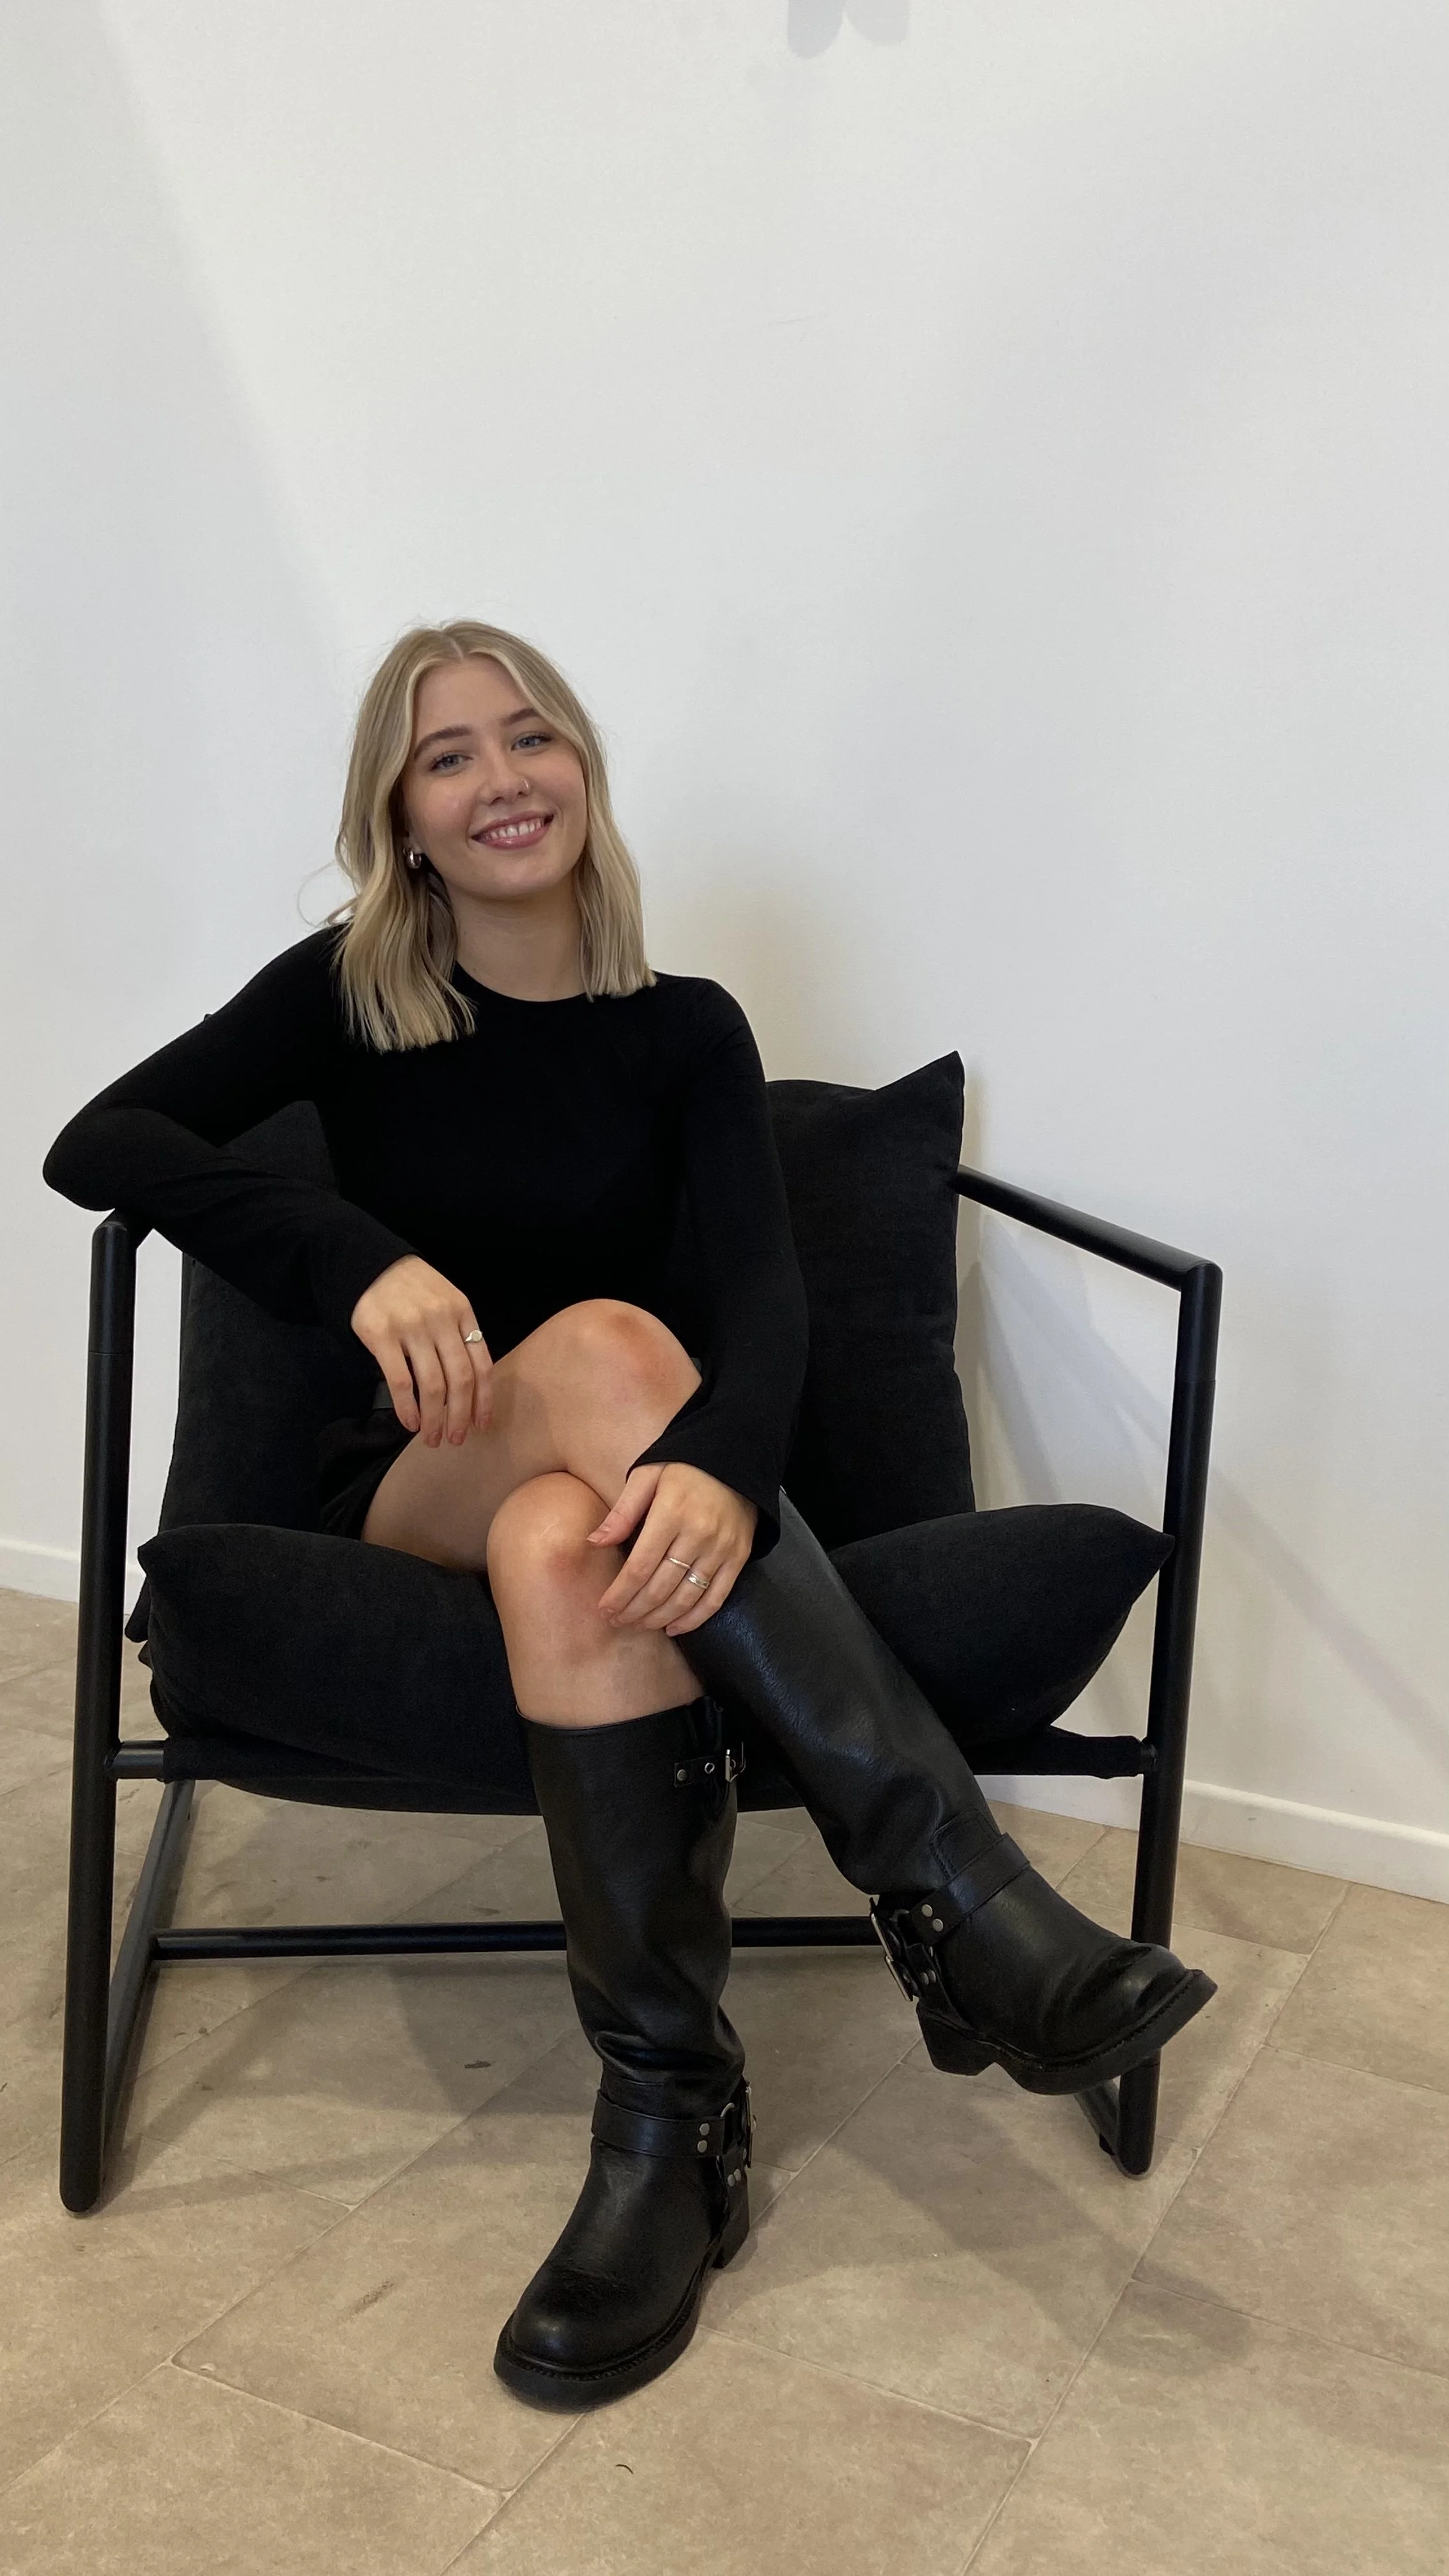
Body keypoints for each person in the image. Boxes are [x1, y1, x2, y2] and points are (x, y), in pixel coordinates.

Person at [44, 620, 1215, 2409]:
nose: (501, 779)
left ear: (584, 774)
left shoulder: (684, 1031)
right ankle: (956, 1902)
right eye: (448, 758)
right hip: (413, 1482)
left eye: (533, 739)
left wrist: (720, 1465)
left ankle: (667, 2120)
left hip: (618, 1492)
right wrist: (355, 1259)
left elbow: (766, 1316)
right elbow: (97, 1144)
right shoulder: (345, 997)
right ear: (401, 820)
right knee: (593, 1351)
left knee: (563, 1542)